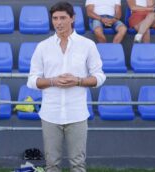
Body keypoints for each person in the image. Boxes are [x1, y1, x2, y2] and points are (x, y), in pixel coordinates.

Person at [27, 1, 106, 172]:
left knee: (78, 165)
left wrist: (78, 81)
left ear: (73, 19)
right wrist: (53, 81)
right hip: (50, 114)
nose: (58, 22)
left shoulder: (87, 45)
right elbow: (32, 80)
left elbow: (99, 77)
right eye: (55, 18)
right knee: (51, 165)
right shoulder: (43, 47)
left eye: (63, 17)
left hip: (77, 114)